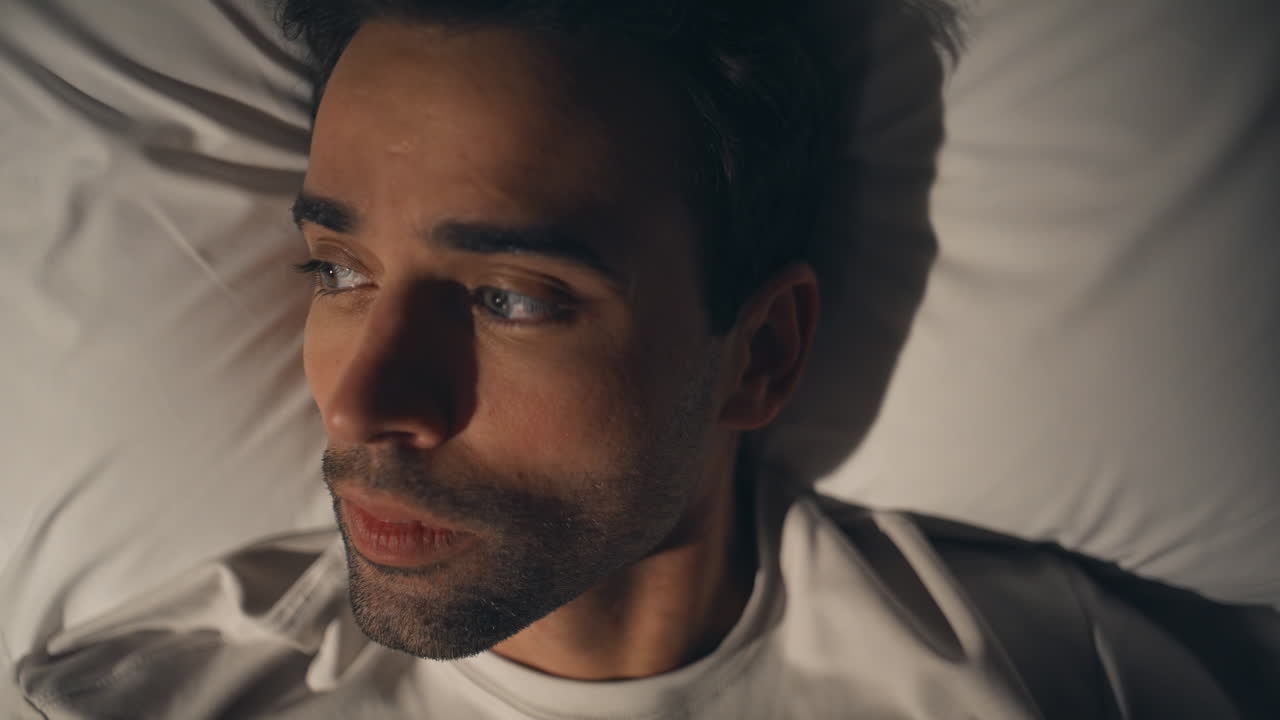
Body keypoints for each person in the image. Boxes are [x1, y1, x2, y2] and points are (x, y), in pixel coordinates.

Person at [11, 1, 1275, 718]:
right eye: (338, 273)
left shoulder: (1045, 685)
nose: (360, 397)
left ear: (758, 354)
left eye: (509, 296)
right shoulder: (132, 703)